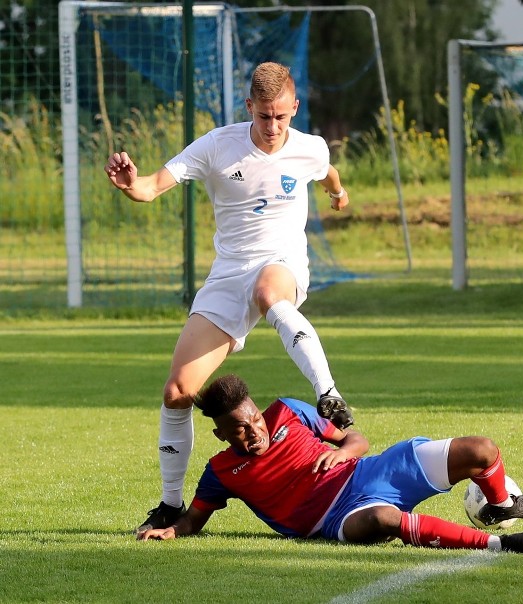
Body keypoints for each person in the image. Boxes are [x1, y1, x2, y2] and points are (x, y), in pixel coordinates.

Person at [104, 62, 354, 533]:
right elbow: (151, 187)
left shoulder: (308, 148)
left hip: (280, 263)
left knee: (268, 293)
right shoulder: (218, 145)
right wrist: (130, 184)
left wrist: (339, 194)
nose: (273, 127)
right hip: (227, 275)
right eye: (264, 117)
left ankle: (329, 394)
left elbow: (328, 172)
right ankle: (170, 504)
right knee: (177, 392)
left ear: (294, 108)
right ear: (249, 109)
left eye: (281, 117)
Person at [137, 374, 523, 554]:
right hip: (335, 518)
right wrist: (171, 531)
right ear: (221, 435)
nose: (254, 432)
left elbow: (357, 438)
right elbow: (193, 520)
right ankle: (500, 545)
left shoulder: (288, 410)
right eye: (240, 431)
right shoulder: (221, 471)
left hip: (368, 471)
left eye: (254, 421)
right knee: (384, 520)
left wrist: (342, 452)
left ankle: (499, 505)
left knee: (480, 449)